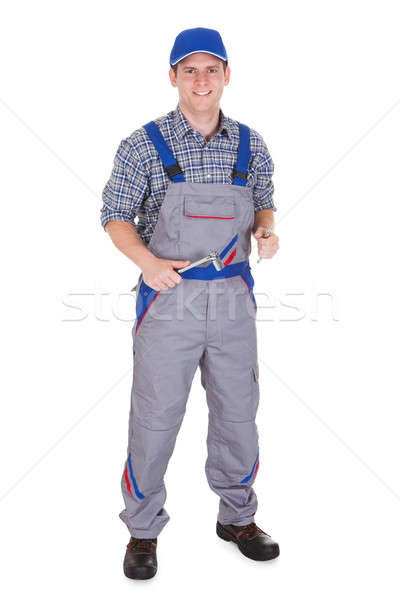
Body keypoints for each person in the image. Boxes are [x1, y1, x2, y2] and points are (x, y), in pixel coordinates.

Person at [101, 27, 280, 580]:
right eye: (189, 69)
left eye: (211, 69)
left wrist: (268, 232)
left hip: (232, 299)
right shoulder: (142, 144)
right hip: (168, 300)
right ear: (173, 76)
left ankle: (237, 517)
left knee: (237, 415)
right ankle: (142, 529)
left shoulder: (251, 144)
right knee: (155, 418)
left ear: (227, 75)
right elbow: (115, 216)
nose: (201, 80)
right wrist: (148, 263)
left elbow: (265, 203)